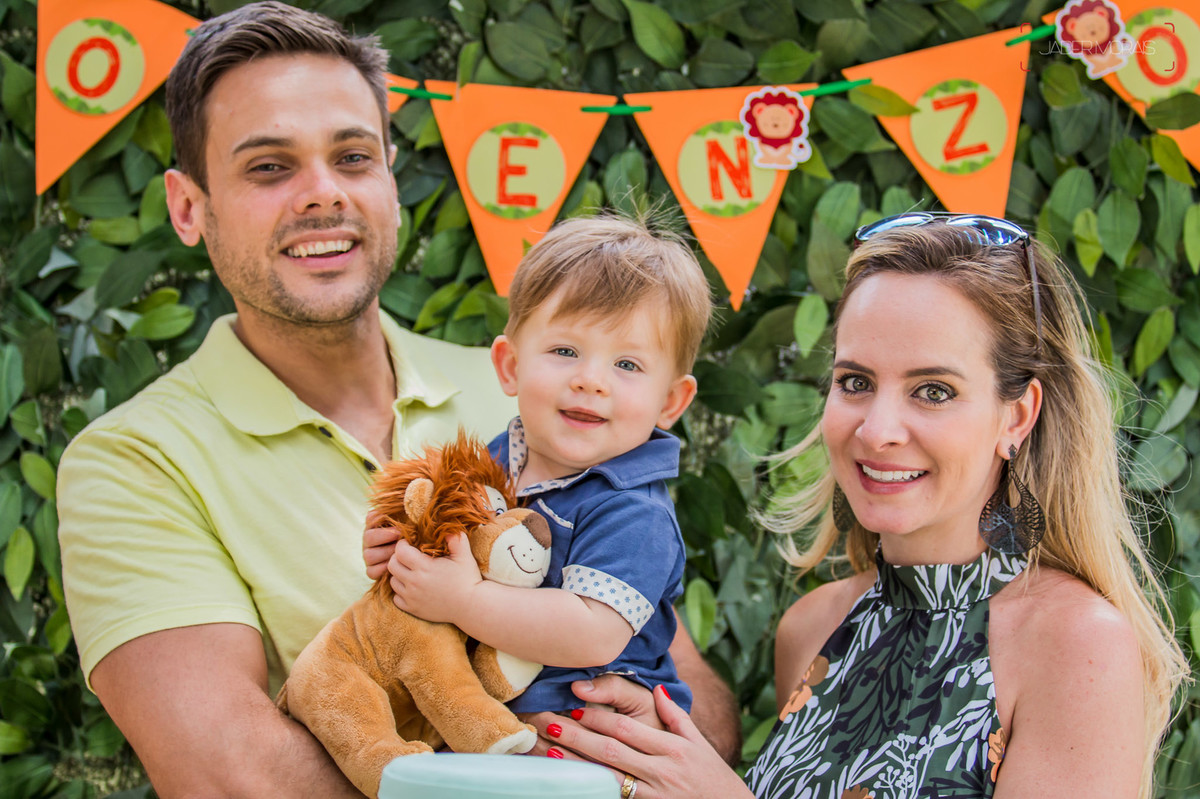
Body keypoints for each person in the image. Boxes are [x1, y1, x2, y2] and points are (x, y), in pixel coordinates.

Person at [54, 4, 736, 797]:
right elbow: (233, 775)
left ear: (389, 180)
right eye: (269, 166)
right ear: (187, 206)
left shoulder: (539, 400)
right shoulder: (133, 462)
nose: (321, 195)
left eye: (351, 157)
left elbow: (689, 686)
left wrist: (641, 741)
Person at [531, 214, 1189, 799]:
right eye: (856, 381)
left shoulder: (1077, 643)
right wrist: (658, 747)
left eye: (933, 390)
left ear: (1016, 416)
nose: (877, 430)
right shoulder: (812, 627)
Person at [373, 215, 711, 716]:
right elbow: (444, 541)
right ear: (511, 366)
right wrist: (399, 555)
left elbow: (591, 632)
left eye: (627, 365)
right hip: (486, 723)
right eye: (565, 350)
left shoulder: (634, 511)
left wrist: (462, 600)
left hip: (586, 738)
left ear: (671, 401)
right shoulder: (493, 461)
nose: (591, 380)